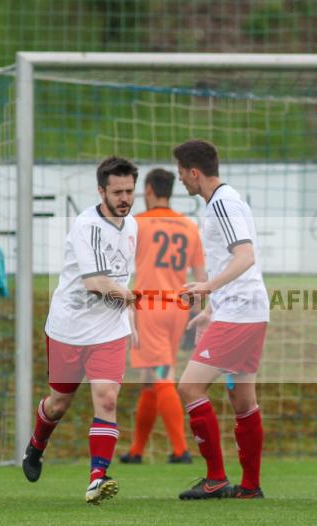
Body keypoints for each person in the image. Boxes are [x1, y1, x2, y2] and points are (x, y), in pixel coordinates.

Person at [21, 156, 139, 504]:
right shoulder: (85, 225)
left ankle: (97, 479)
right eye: (117, 192)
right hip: (69, 327)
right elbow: (95, 282)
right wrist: (128, 296)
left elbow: (121, 278)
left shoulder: (132, 225)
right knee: (58, 404)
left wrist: (129, 319)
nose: (124, 198)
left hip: (108, 329)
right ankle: (37, 444)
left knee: (107, 399)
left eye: (129, 191)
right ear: (101, 190)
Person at [172, 139, 270, 500]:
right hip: (244, 310)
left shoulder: (223, 204)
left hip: (241, 313)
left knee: (189, 387)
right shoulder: (227, 200)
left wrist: (208, 288)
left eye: (182, 174)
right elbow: (237, 263)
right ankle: (250, 487)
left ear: (194, 172)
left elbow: (245, 256)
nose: (181, 180)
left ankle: (215, 478)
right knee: (243, 402)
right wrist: (212, 309)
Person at [120, 168, 206, 465]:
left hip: (150, 307)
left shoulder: (136, 224)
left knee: (162, 376)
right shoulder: (188, 225)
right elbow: (201, 275)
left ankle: (181, 450)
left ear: (147, 191)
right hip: (178, 308)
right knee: (149, 379)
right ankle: (137, 451)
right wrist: (198, 309)